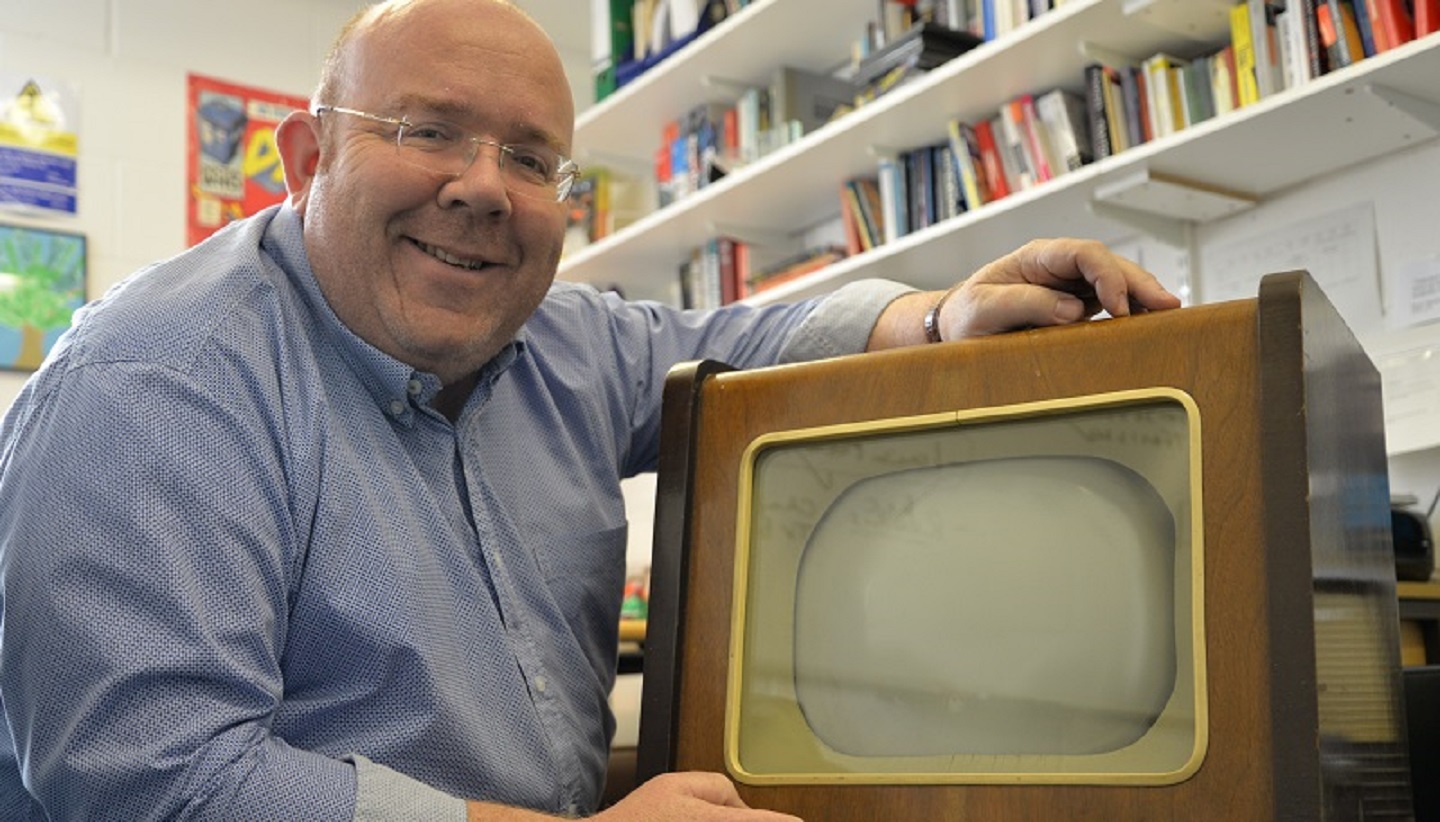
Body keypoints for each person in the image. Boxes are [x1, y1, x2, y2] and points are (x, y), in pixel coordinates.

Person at [0, 1, 1180, 819]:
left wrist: (940, 318)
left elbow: (739, 344)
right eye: (427, 132)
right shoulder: (156, 386)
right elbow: (157, 789)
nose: (482, 190)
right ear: (306, 158)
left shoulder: (559, 335)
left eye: (530, 159)